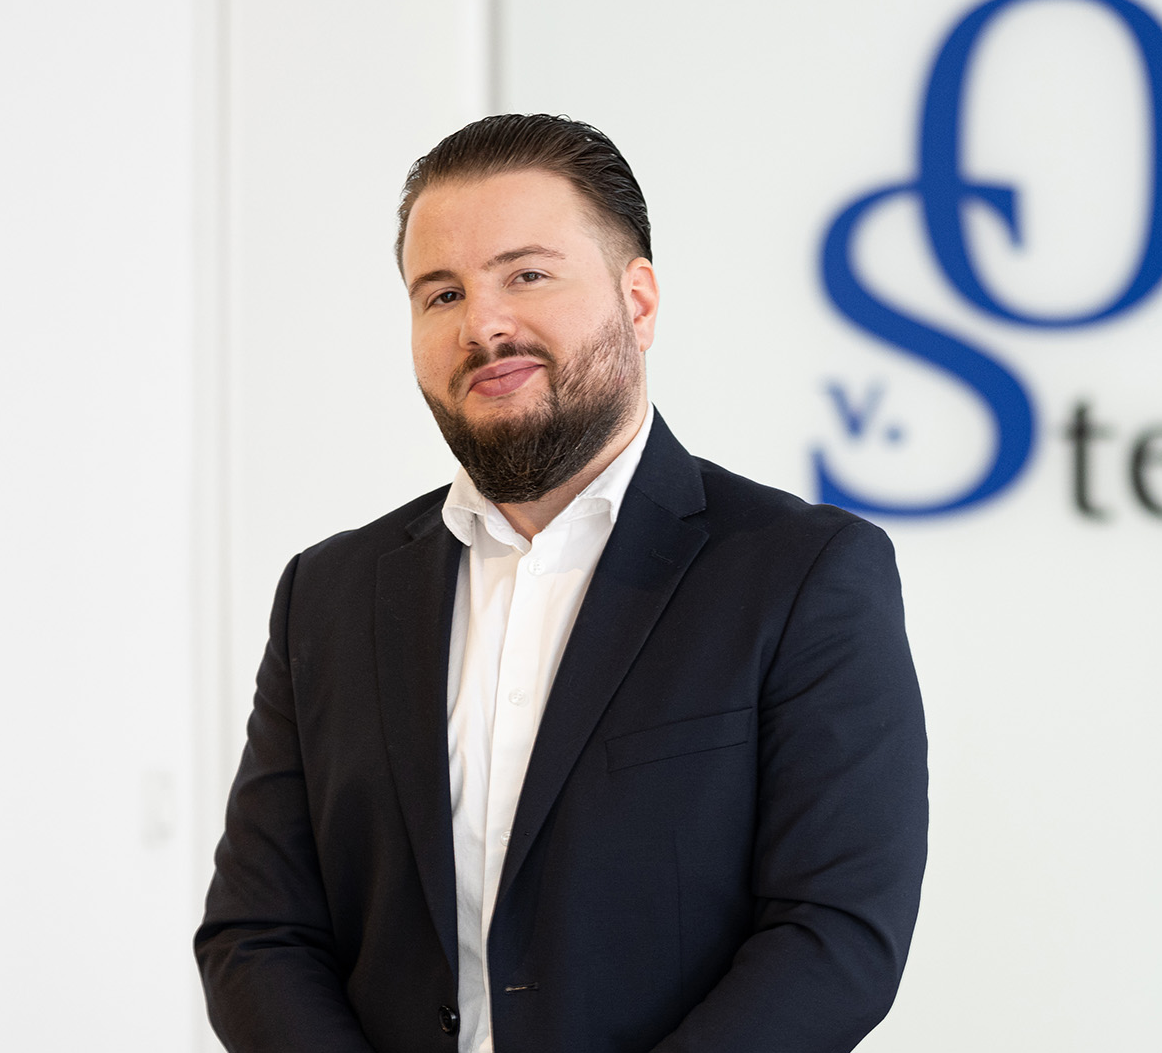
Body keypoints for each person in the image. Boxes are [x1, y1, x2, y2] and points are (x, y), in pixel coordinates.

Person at [195, 114, 928, 1053]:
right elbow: (257, 932)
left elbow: (835, 932)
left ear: (639, 302)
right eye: (442, 293)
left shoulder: (802, 573)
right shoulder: (328, 593)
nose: (483, 323)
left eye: (527, 275)